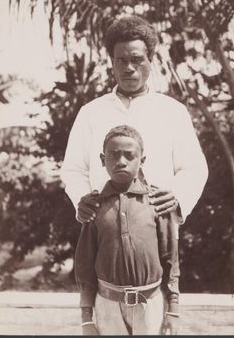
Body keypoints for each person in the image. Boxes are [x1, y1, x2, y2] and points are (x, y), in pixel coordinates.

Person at [61, 15, 208, 226]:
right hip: (104, 229)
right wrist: (82, 199)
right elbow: (73, 169)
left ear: (150, 61)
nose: (129, 67)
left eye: (137, 59)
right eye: (121, 60)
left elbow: (194, 167)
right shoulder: (91, 113)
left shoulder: (172, 112)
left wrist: (178, 197)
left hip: (158, 227)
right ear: (112, 63)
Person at [75, 125, 180, 335]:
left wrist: (173, 311)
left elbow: (171, 260)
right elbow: (84, 265)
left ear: (142, 160)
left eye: (129, 156)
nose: (121, 161)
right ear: (102, 160)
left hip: (151, 306)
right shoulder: (93, 206)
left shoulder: (157, 203)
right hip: (107, 306)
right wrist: (87, 320)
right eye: (113, 155)